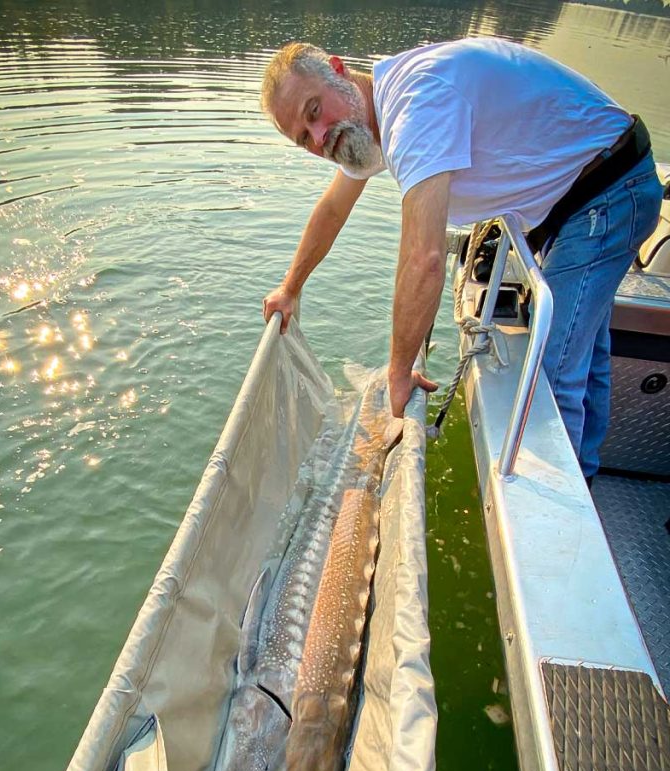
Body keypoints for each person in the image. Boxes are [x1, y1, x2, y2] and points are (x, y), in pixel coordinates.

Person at [260, 37, 663, 483]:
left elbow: (423, 258)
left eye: (314, 111)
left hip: (607, 192)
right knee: (585, 355)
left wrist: (398, 374)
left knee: (547, 379)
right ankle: (585, 471)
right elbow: (333, 209)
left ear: (337, 69)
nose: (319, 138)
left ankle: (561, 513)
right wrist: (290, 287)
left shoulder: (413, 107)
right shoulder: (359, 128)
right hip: (577, 199)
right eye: (304, 139)